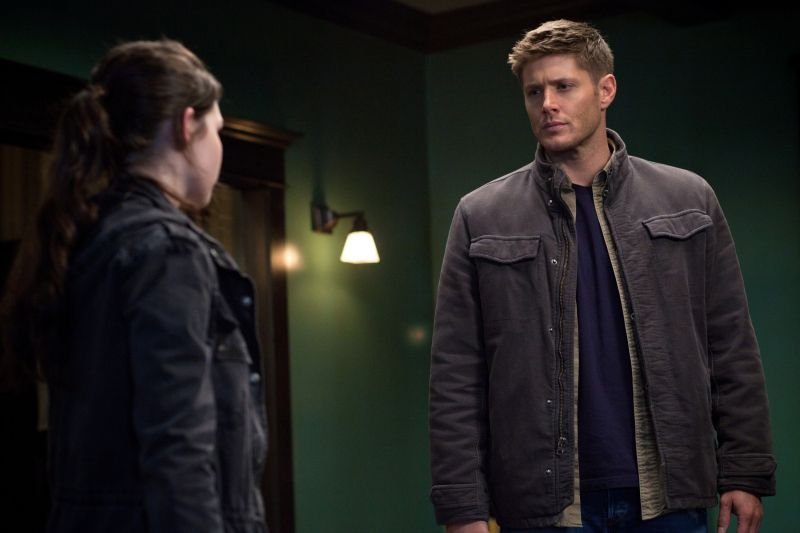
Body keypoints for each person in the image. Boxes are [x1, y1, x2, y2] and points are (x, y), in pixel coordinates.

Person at [428, 19, 776, 533]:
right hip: (543, 504)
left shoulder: (689, 199)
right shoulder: (481, 214)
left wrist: (745, 470)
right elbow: (457, 373)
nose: (547, 103)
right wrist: (462, 506)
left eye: (563, 86)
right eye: (534, 92)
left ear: (605, 89)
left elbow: (731, 345)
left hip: (668, 497)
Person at [0, 39, 268, 532]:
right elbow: (178, 446)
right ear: (187, 126)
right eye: (217, 130)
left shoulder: (84, 239)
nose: (220, 149)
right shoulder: (168, 251)